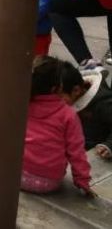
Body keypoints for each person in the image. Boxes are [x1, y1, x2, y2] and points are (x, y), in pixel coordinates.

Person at [22, 56, 94, 197]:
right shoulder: (68, 115)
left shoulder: (24, 103)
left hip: (16, 177)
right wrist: (83, 181)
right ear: (57, 88)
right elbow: (76, 153)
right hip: (48, 184)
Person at [63, 64, 112, 160]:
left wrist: (109, 145)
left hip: (97, 148)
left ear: (76, 90)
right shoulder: (71, 98)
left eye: (60, 97)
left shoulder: (103, 103)